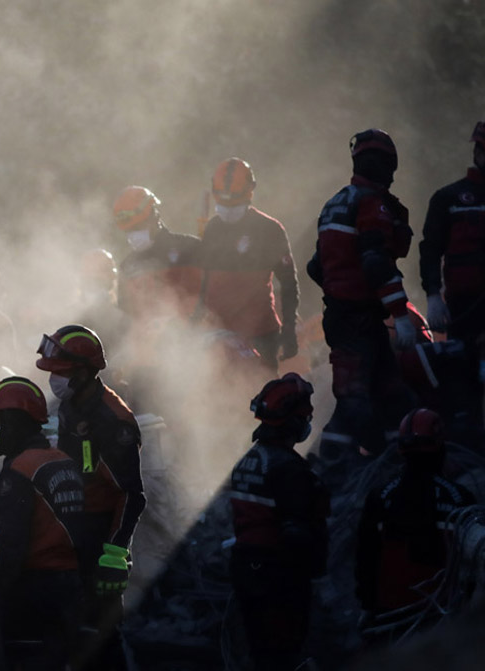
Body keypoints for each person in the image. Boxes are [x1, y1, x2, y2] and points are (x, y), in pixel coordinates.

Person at [34, 324, 142, 671]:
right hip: (71, 533)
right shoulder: (72, 405)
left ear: (83, 371)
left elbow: (130, 494)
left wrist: (114, 553)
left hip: (99, 538)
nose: (54, 380)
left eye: (61, 373)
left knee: (100, 640)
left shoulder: (112, 419)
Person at [306, 129, 416, 469]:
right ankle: (376, 463)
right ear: (388, 166)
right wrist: (399, 313)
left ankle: (395, 462)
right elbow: (374, 262)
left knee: (390, 394)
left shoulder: (336, 202)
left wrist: (339, 292)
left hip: (348, 316)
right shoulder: (371, 203)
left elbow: (315, 266)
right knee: (355, 398)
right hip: (358, 319)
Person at [0, 376, 87, 671]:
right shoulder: (62, 461)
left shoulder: (20, 470)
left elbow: (13, 543)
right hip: (70, 587)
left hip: (32, 589)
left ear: (17, 421)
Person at [228, 373, 328, 671]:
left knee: (260, 652)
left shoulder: (248, 460)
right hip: (278, 574)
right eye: (304, 417)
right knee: (283, 653)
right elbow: (296, 533)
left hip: (247, 568)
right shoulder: (289, 469)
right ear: (293, 422)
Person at [355, 408, 476, 645]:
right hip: (441, 620)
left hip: (388, 620)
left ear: (401, 449)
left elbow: (365, 559)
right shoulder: (460, 499)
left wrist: (368, 606)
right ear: (440, 447)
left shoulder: (380, 497)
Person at [198, 157, 300, 371]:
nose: (227, 208)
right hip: (220, 335)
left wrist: (289, 329)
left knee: (265, 394)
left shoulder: (270, 230)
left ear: (249, 193)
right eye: (222, 202)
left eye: (233, 202)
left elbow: (289, 283)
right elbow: (203, 282)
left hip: (262, 335)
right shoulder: (212, 229)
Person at [418, 120, 485, 433]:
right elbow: (430, 250)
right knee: (465, 380)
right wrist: (433, 295)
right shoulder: (450, 198)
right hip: (463, 309)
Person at [112, 185, 203, 322]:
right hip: (145, 340)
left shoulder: (189, 248)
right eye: (128, 231)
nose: (133, 235)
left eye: (137, 227)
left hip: (189, 336)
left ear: (154, 217)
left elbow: (209, 299)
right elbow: (125, 316)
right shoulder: (127, 266)